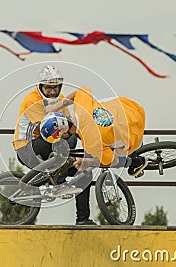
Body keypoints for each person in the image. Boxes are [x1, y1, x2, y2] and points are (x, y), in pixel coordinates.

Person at [12, 65, 96, 225]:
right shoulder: (31, 100)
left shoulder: (60, 99)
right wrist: (71, 131)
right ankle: (59, 181)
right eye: (48, 88)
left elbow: (71, 126)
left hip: (53, 147)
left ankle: (83, 219)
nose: (52, 92)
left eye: (55, 88)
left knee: (84, 171)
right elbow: (47, 130)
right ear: (40, 86)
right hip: (28, 148)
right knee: (62, 137)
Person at [43, 86, 148, 177]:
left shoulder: (90, 144)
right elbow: (82, 91)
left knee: (112, 157)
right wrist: (56, 106)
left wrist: (87, 162)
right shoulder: (81, 108)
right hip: (134, 108)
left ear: (65, 134)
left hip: (135, 136)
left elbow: (114, 161)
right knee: (101, 104)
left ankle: (137, 162)